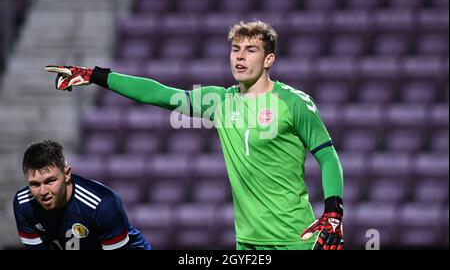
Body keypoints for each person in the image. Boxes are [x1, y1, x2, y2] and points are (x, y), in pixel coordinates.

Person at [45, 20, 344, 250]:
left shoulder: (293, 103)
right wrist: (94, 75)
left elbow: (328, 156)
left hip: (295, 237)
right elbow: (158, 94)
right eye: (235, 49)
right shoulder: (220, 101)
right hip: (248, 240)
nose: (240, 57)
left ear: (269, 60)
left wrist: (333, 211)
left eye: (250, 50)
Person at [13, 140, 152, 250]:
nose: (43, 192)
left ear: (67, 174)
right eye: (35, 184)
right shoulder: (23, 204)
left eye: (50, 181)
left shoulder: (102, 204)